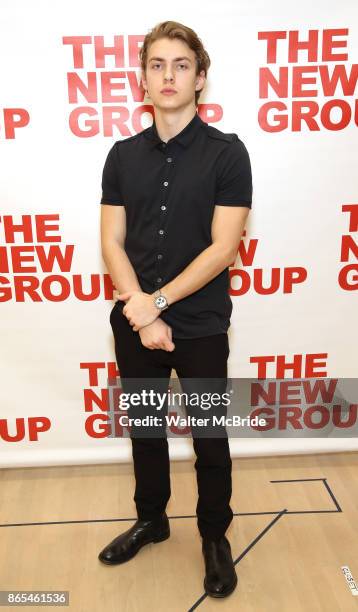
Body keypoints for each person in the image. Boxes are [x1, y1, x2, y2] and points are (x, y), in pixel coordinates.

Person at [98, 20, 252, 599]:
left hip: (201, 323)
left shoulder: (228, 154)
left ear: (200, 78)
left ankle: (215, 536)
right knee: (145, 429)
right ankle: (152, 519)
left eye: (181, 65)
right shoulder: (121, 156)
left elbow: (223, 248)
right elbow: (112, 241)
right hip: (136, 318)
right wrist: (141, 312)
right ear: (142, 80)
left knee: (211, 435)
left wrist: (156, 304)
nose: (169, 75)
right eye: (157, 64)